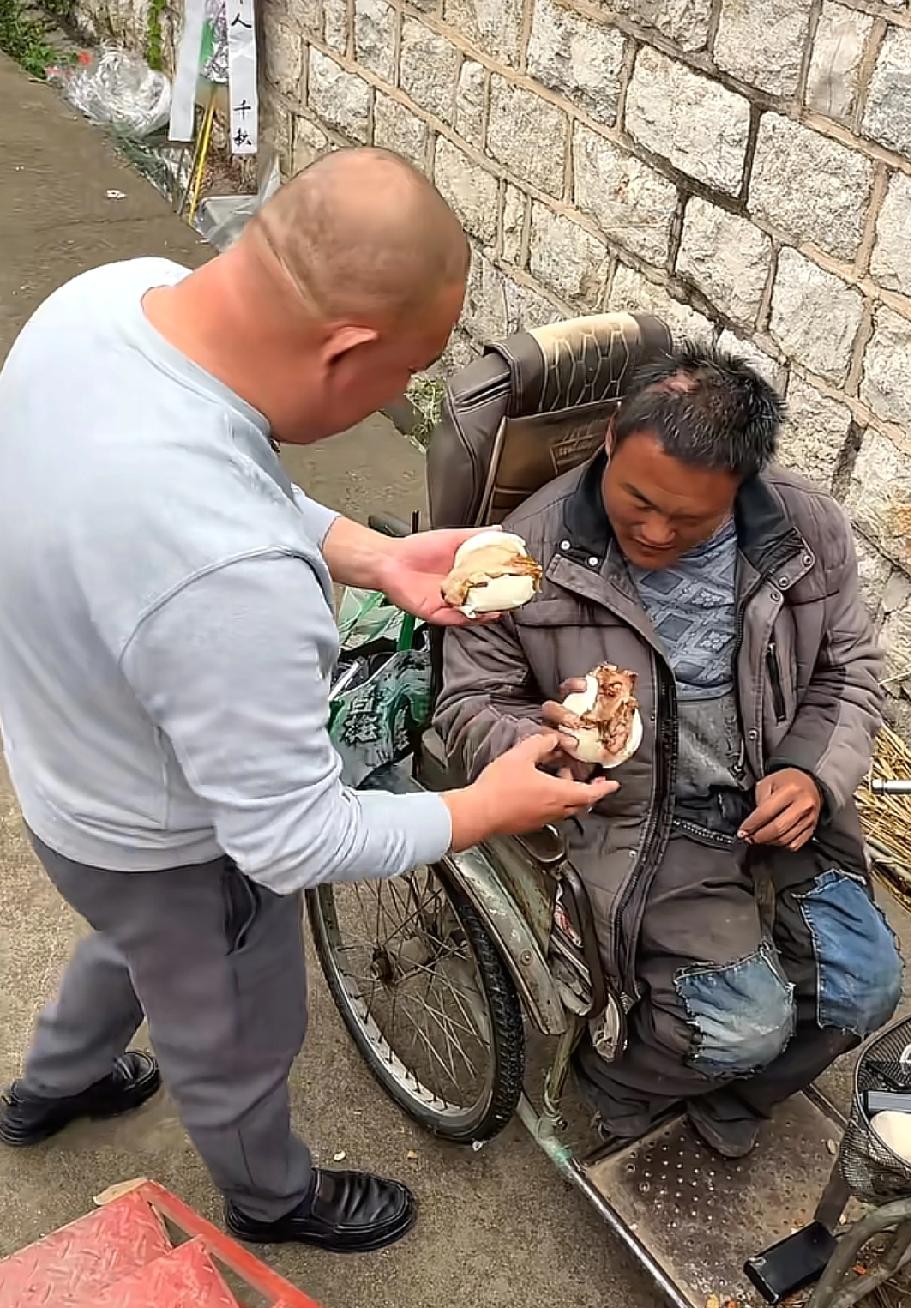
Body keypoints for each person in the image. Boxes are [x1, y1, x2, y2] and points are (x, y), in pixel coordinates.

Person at [0, 148, 616, 1251]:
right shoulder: (230, 584)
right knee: (233, 1034)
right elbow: (288, 838)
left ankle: (48, 1087)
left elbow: (220, 468)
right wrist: (487, 808)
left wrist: (361, 554)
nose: (404, 399)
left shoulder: (107, 305)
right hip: (167, 833)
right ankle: (271, 1198)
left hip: (69, 777)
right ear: (346, 350)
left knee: (134, 941)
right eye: (407, 375)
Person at [435, 345, 903, 1159]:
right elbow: (470, 702)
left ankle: (735, 1096)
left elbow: (851, 672)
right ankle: (623, 1081)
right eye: (638, 502)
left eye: (691, 521)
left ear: (743, 485)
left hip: (771, 806)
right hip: (638, 820)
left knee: (866, 989)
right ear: (613, 437)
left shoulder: (804, 529)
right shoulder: (525, 553)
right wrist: (549, 750)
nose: (655, 532)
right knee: (743, 1023)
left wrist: (812, 774)